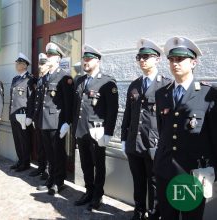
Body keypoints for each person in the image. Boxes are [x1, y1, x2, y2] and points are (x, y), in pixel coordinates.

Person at [154, 36, 217, 220]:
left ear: (193, 62)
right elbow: (162, 130)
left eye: (180, 59)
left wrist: (214, 169)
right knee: (167, 217)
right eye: (172, 59)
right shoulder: (162, 93)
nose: (175, 63)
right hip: (165, 170)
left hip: (193, 173)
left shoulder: (208, 93)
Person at [121, 39, 171, 220]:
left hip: (154, 144)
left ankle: (154, 214)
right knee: (138, 181)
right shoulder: (134, 85)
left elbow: (169, 120)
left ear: (157, 59)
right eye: (139, 57)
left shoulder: (166, 85)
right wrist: (123, 139)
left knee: (155, 184)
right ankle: (139, 212)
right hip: (134, 142)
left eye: (146, 57)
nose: (142, 60)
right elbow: (128, 113)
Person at [73, 44, 119, 211]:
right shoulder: (79, 80)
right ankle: (88, 191)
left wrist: (108, 133)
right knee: (85, 164)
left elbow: (112, 110)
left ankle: (97, 195)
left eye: (89, 59)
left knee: (98, 164)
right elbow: (75, 107)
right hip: (81, 130)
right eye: (84, 58)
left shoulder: (107, 81)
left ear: (98, 61)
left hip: (97, 132)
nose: (85, 62)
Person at [36, 42, 74, 195]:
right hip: (45, 121)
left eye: (51, 55)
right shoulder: (47, 77)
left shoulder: (64, 76)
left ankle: (59, 181)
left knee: (58, 153)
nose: (48, 57)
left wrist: (67, 122)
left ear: (58, 58)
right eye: (48, 55)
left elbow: (68, 103)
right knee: (49, 153)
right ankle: (51, 178)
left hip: (57, 122)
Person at [9, 53, 36, 171]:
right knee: (17, 139)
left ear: (25, 65)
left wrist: (30, 116)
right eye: (17, 63)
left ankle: (26, 162)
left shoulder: (30, 79)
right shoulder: (15, 79)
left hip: (23, 114)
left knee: (24, 139)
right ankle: (20, 160)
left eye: (19, 63)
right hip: (14, 114)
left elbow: (31, 100)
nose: (17, 65)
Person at [29, 53, 49, 179]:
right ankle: (41, 167)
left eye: (43, 64)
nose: (40, 66)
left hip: (47, 119)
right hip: (39, 118)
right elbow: (37, 101)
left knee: (47, 147)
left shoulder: (48, 78)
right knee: (40, 145)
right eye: (39, 64)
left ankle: (47, 170)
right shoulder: (40, 79)